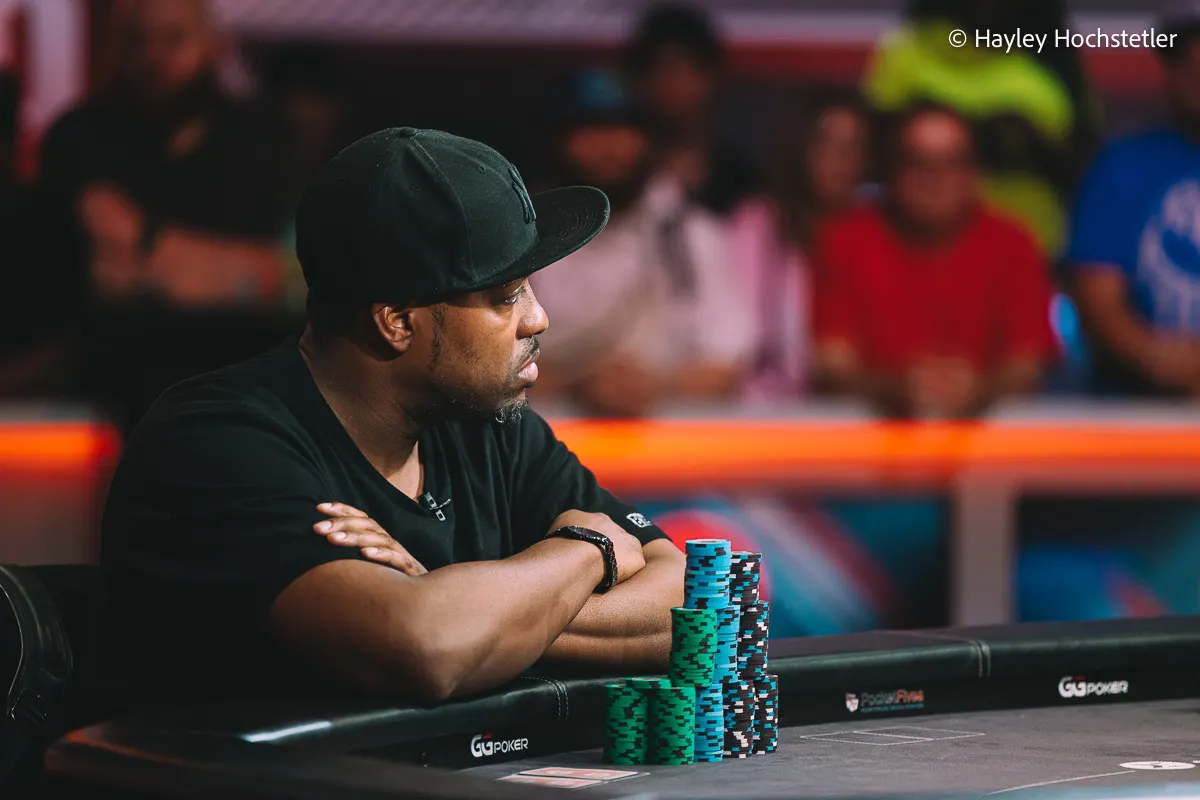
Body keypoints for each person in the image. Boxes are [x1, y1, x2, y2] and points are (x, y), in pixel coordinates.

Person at [92, 128, 684, 715]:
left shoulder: (488, 427)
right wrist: (589, 548)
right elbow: (426, 648)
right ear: (396, 321)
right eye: (505, 296)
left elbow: (694, 610)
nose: (538, 318)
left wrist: (479, 613)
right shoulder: (216, 443)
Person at [39, 0, 293, 308]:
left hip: (239, 335)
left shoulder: (263, 139)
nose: (153, 57)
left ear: (215, 47)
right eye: (137, 40)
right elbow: (98, 256)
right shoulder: (79, 135)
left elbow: (281, 272)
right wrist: (223, 269)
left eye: (174, 38)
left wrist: (145, 248)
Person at [531, 69, 754, 417]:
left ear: (647, 139)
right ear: (560, 142)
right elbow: (491, 375)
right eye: (591, 130)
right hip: (548, 437)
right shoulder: (523, 238)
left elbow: (727, 369)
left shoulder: (693, 234)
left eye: (622, 129)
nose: (609, 148)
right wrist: (579, 386)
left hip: (672, 442)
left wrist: (653, 387)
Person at [811, 104, 1056, 419]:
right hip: (867, 438)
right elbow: (833, 365)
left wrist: (979, 391)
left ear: (975, 173)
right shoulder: (845, 242)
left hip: (991, 439)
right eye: (918, 163)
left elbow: (1026, 365)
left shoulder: (1014, 244)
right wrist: (897, 390)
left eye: (952, 163)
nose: (936, 178)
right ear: (892, 171)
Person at [863, 0, 1095, 257]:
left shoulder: (1052, 56)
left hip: (1030, 247)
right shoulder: (907, 53)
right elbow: (870, 153)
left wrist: (1034, 149)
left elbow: (1085, 162)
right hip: (914, 250)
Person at [1063, 2, 1200, 398]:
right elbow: (1096, 294)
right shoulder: (1122, 164)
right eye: (1184, 60)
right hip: (1140, 401)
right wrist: (1155, 358)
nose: (1197, 72)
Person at [729, 88, 871, 404]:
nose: (842, 159)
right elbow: (740, 345)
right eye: (826, 143)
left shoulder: (874, 231)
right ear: (799, 148)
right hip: (764, 410)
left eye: (854, 146)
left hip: (858, 410)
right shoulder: (757, 226)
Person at [623, 2, 757, 217]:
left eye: (688, 71)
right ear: (639, 81)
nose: (674, 85)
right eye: (662, 70)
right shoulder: (618, 180)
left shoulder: (744, 183)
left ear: (714, 79)